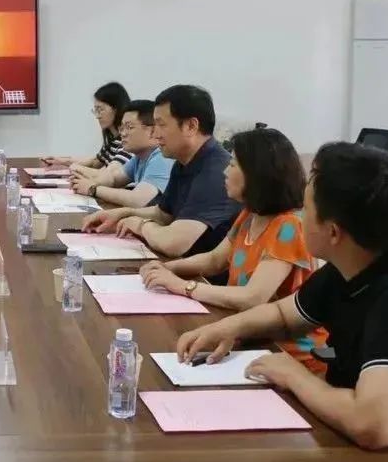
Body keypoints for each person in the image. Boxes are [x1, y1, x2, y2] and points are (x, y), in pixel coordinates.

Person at [177, 143, 388, 462]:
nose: (298, 218)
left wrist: (293, 375)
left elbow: (373, 423)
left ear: (333, 232)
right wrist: (227, 327)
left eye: (305, 210)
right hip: (340, 432)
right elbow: (284, 314)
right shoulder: (353, 261)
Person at [139, 128, 327, 371]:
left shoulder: (288, 226)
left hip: (285, 353)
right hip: (245, 335)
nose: (225, 172)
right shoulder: (250, 214)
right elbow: (215, 260)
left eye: (233, 165)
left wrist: (184, 286)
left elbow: (253, 297)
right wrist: (166, 268)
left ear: (257, 173)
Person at [83, 85, 240, 259]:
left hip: (204, 273)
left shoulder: (216, 172)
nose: (155, 134)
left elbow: (174, 243)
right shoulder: (184, 161)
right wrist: (121, 214)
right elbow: (163, 214)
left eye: (161, 125)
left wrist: (140, 225)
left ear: (191, 126)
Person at [71, 99, 173, 208]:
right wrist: (86, 182)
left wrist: (93, 189)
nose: (123, 134)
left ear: (153, 130)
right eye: (122, 128)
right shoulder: (139, 158)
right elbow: (114, 179)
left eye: (129, 127)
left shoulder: (161, 157)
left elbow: (138, 200)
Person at [43, 82, 132, 172]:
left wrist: (74, 168)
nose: (97, 116)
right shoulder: (112, 140)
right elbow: (94, 163)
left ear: (116, 109)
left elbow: (109, 175)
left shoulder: (127, 141)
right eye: (95, 110)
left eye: (100, 109)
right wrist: (60, 161)